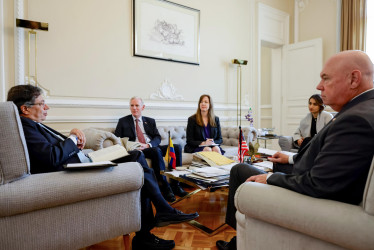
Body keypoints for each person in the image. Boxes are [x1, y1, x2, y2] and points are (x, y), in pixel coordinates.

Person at [7, 85, 198, 250]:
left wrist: (72, 136)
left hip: (82, 159)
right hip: (76, 170)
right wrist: (73, 140)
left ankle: (154, 222)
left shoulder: (32, 124)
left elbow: (52, 149)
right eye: (42, 103)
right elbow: (51, 157)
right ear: (25, 108)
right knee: (138, 166)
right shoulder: (25, 127)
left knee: (137, 157)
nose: (46, 107)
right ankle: (155, 221)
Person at [216, 50, 374, 250]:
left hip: (309, 191)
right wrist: (290, 158)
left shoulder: (355, 120)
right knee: (271, 164)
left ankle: (238, 241)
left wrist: (270, 179)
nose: (319, 86)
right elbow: (331, 160)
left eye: (325, 78)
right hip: (307, 173)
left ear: (354, 79)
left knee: (239, 170)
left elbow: (319, 183)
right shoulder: (363, 109)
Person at [114, 96, 188, 202]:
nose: (134, 108)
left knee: (176, 147)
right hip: (137, 150)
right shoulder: (123, 121)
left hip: (149, 147)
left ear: (142, 107)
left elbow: (157, 137)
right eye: (132, 105)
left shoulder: (150, 121)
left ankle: (176, 184)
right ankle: (165, 187)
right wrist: (131, 146)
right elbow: (117, 139)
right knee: (156, 151)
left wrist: (149, 145)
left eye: (137, 105)